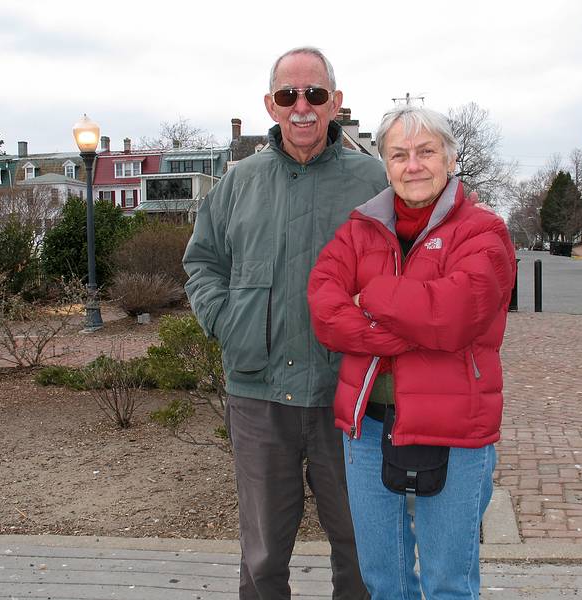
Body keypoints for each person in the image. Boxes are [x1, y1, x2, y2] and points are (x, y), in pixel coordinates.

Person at [183, 47, 387, 600]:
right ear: (270, 105)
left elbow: (408, 266)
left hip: (349, 394)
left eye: (314, 94)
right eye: (288, 95)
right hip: (258, 393)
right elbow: (201, 261)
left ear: (336, 104)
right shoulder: (238, 182)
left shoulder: (375, 181)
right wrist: (227, 322)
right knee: (264, 554)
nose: (302, 106)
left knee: (361, 547)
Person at [307, 105, 517, 599]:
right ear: (385, 163)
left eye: (426, 151)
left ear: (450, 158)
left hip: (456, 431)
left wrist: (374, 297)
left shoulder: (484, 231)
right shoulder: (361, 228)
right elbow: (324, 309)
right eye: (399, 154)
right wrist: (412, 328)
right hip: (369, 426)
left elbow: (456, 315)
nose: (413, 165)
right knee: (384, 581)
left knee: (448, 582)